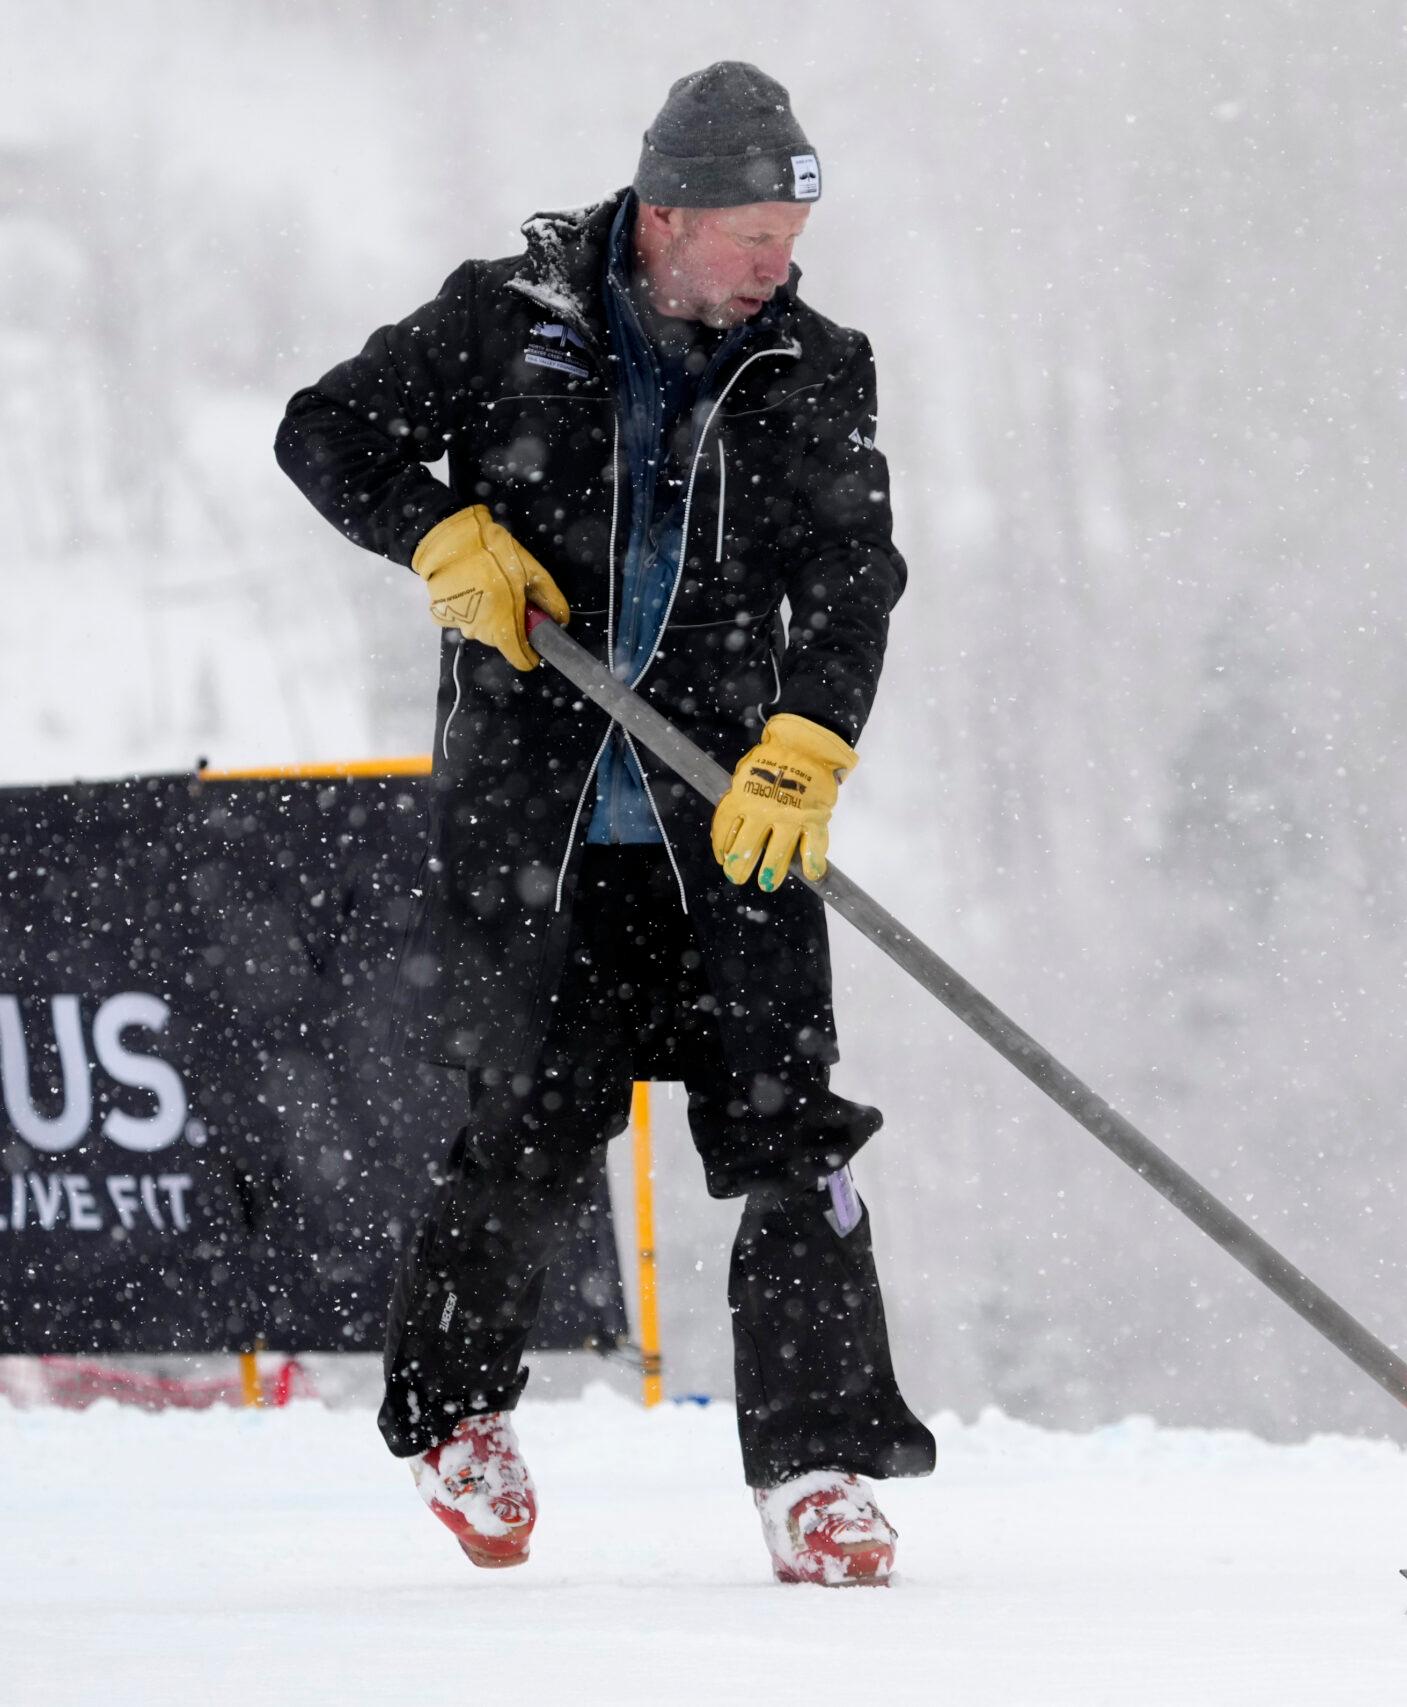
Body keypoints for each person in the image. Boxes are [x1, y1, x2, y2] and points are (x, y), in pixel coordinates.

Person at [275, 61, 935, 1586]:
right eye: (757, 235)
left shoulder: (813, 362)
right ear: (670, 215)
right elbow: (328, 431)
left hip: (733, 819)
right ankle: (458, 1419)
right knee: (527, 1131)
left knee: (796, 1144)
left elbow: (852, 574)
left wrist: (811, 736)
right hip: (541, 820)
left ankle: (821, 1471)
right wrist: (438, 529)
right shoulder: (509, 319)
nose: (783, 263)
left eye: (793, 235)